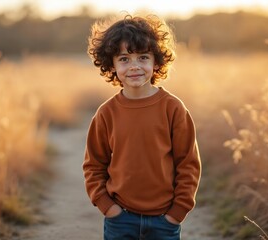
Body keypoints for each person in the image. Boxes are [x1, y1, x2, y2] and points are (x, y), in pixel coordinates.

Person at [83, 13, 201, 240]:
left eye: (143, 57)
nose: (134, 66)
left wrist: (177, 212)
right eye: (124, 59)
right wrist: (108, 207)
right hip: (120, 219)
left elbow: (188, 164)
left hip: (164, 219)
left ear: (156, 61)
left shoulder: (173, 109)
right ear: (112, 64)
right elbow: (94, 165)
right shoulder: (106, 114)